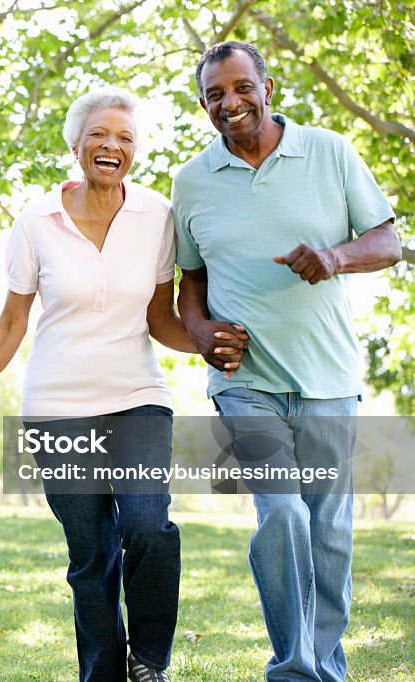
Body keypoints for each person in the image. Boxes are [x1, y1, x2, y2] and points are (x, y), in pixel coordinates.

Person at [0, 86, 249, 682]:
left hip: (137, 398)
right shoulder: (37, 220)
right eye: (100, 136)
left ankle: (150, 660)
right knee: (90, 558)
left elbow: (161, 319)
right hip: (57, 409)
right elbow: (12, 323)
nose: (112, 146)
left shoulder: (156, 216)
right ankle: (103, 674)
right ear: (77, 145)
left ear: (134, 152)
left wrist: (206, 341)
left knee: (146, 526)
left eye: (125, 139)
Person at [173, 41, 400, 682]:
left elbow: (388, 240)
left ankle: (326, 667)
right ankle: (296, 669)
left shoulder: (328, 151)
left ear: (268, 87)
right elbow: (189, 284)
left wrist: (333, 258)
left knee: (330, 532)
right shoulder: (192, 180)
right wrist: (200, 333)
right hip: (244, 384)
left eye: (242, 87)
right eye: (216, 94)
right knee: (283, 513)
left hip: (328, 377)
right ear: (203, 104)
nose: (231, 102)